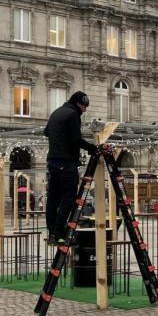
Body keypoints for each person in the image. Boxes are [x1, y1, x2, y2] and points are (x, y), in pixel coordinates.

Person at [44, 91, 97, 241]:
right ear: (78, 103)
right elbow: (75, 140)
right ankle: (61, 231)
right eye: (84, 106)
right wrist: (92, 148)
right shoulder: (73, 114)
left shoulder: (56, 113)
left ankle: (52, 231)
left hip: (53, 162)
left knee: (53, 198)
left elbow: (46, 132)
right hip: (66, 162)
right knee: (68, 198)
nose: (84, 110)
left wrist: (59, 137)